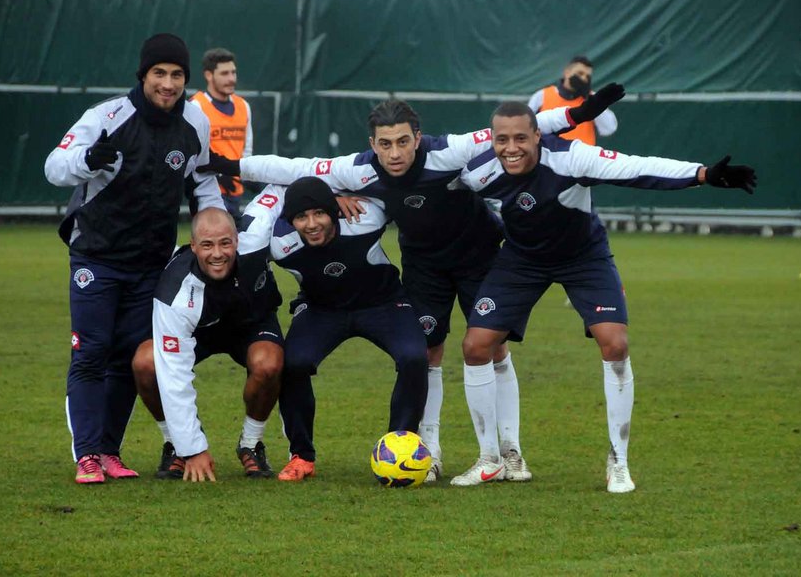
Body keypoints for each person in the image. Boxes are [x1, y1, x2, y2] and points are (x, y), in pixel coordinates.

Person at [199, 87, 624, 484]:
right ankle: (427, 451)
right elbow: (298, 169)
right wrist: (227, 165)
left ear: (417, 138)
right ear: (373, 144)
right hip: (424, 267)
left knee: (493, 348)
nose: (395, 152)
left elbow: (512, 130)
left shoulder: (448, 151)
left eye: (403, 141)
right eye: (385, 144)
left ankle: (510, 451)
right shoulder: (358, 170)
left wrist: (575, 115)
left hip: (477, 258)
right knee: (429, 350)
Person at [457, 101, 756, 491]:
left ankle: (618, 461)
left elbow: (635, 168)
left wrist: (701, 174)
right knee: (476, 346)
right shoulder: (477, 172)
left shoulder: (572, 158)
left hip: (583, 257)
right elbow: (434, 187)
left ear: (538, 136)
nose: (511, 148)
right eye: (502, 140)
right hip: (521, 260)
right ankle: (492, 458)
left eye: (520, 138)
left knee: (615, 344)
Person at [44, 33, 225, 484]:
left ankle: (109, 451)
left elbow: (202, 181)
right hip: (97, 258)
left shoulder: (195, 121)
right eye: (159, 73)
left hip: (150, 264)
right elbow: (54, 166)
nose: (168, 84)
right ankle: (87, 454)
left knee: (128, 357)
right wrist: (88, 159)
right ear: (143, 75)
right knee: (90, 354)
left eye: (177, 75)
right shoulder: (107, 116)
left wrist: (214, 226)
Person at [240, 178, 429, 481]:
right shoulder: (278, 243)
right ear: (290, 220)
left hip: (383, 304)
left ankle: (400, 448)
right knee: (294, 363)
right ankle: (302, 456)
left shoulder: (365, 217)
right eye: (302, 217)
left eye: (319, 213)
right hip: (321, 310)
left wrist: (341, 192)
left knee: (414, 357)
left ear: (333, 211)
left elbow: (393, 190)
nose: (312, 224)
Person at [130, 208, 284, 482]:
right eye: (207, 245)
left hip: (250, 325)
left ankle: (251, 443)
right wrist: (192, 446)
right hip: (197, 331)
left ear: (237, 240)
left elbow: (281, 192)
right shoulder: (175, 292)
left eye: (225, 243)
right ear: (193, 246)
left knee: (269, 363)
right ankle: (174, 443)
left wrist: (341, 192)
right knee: (146, 363)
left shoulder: (256, 238)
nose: (217, 253)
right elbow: (174, 376)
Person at [190, 48, 253, 230]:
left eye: (233, 72)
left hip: (236, 190)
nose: (231, 78)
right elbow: (193, 154)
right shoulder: (197, 106)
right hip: (207, 191)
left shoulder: (243, 106)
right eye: (224, 73)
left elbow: (247, 149)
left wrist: (248, 175)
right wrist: (218, 175)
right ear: (208, 75)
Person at [528, 56, 618, 146]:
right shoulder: (542, 95)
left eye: (587, 76)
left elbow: (609, 129)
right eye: (580, 73)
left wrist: (590, 99)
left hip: (583, 153)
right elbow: (526, 125)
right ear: (567, 73)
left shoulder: (592, 98)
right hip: (550, 152)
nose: (584, 78)